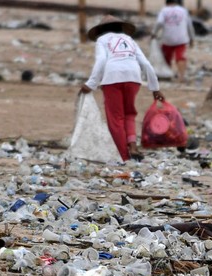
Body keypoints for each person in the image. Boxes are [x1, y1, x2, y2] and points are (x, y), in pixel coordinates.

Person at [81, 15, 165, 162]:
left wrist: (91, 83)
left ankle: (123, 156)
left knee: (116, 119)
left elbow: (101, 61)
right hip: (133, 77)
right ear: (120, 27)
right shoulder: (129, 40)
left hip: (112, 78)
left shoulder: (102, 40)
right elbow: (145, 64)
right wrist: (155, 88)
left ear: (101, 30)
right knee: (129, 113)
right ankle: (132, 145)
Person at [152, 0, 195, 83]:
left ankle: (167, 75)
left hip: (167, 39)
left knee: (166, 58)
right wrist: (192, 38)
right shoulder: (183, 10)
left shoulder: (164, 10)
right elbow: (189, 25)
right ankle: (181, 77)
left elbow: (159, 22)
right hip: (181, 39)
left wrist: (154, 33)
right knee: (180, 57)